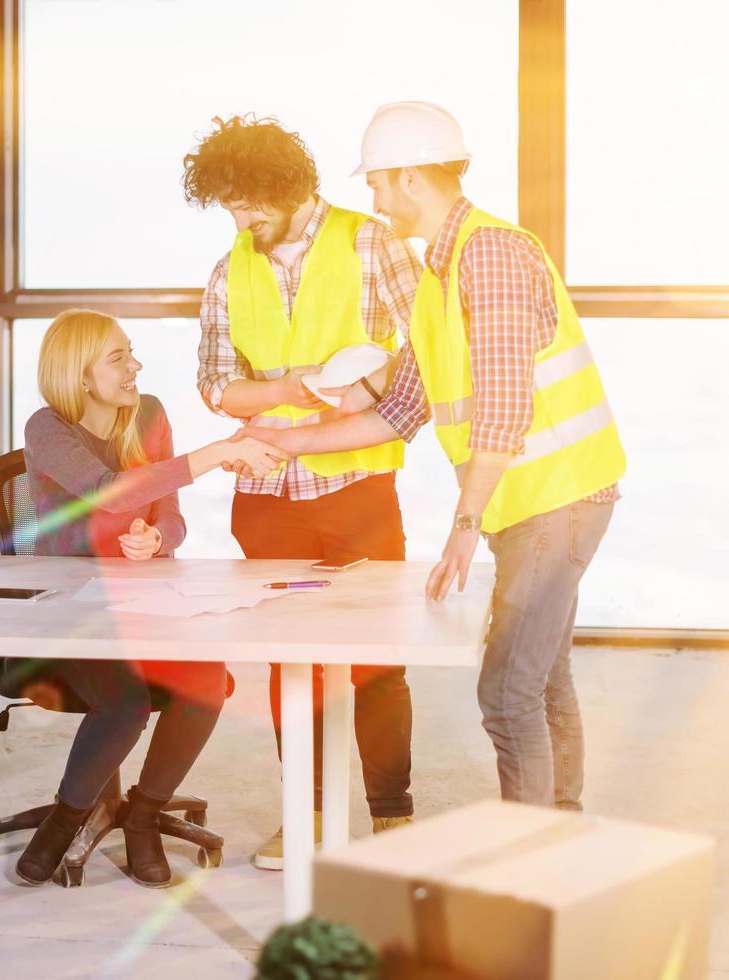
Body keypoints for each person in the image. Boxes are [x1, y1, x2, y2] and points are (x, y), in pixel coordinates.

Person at [242, 102, 626, 810]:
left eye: (380, 185)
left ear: (412, 178)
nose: (375, 200)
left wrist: (463, 524)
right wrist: (284, 440)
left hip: (559, 498)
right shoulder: (439, 277)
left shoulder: (492, 253)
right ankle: (562, 831)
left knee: (507, 691)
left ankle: (532, 852)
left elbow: (506, 408)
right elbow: (401, 409)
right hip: (530, 503)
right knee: (543, 679)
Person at [181, 114, 424, 869]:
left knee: (378, 663)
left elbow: (425, 348)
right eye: (227, 205)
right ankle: (308, 815)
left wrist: (356, 392)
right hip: (265, 495)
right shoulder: (231, 270)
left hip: (357, 485)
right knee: (293, 662)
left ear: (287, 188)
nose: (239, 218)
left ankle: (393, 819)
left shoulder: (369, 242)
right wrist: (282, 388)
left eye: (248, 202)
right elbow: (214, 384)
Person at [15, 308, 285, 887]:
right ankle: (65, 821)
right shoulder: (47, 428)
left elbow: (171, 515)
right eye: (118, 357)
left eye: (131, 351)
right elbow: (108, 494)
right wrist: (216, 453)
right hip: (70, 604)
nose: (135, 365)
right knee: (125, 701)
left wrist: (158, 537)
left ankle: (143, 814)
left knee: (206, 682)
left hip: (143, 599)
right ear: (80, 375)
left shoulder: (150, 413)